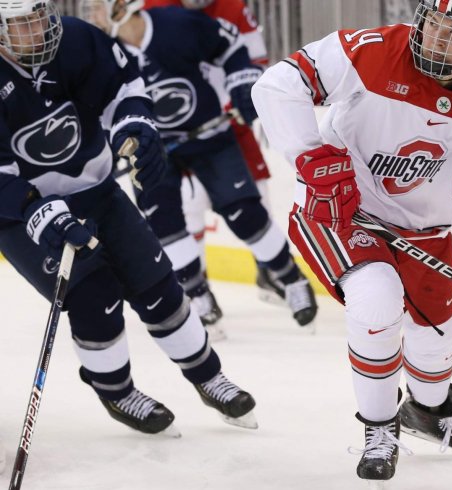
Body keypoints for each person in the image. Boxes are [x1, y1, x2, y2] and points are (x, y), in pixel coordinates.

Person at [253, 0, 452, 483]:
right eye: (436, 24)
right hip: (339, 210)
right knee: (377, 301)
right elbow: (278, 83)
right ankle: (380, 428)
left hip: (422, 229)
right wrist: (309, 156)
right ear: (421, 17)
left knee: (437, 338)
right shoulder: (370, 51)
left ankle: (428, 412)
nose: (441, 38)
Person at [0, 0, 256, 435]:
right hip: (21, 213)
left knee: (158, 284)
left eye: (41, 16)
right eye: (24, 25)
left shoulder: (77, 39)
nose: (40, 30)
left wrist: (134, 127)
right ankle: (117, 391)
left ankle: (208, 376)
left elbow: (123, 89)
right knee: (92, 298)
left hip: (97, 191)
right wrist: (34, 209)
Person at [79, 0, 317, 335]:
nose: (91, 16)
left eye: (97, 9)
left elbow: (231, 43)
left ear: (121, 8)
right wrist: (114, 140)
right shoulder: (102, 50)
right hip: (152, 148)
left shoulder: (175, 24)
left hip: (210, 135)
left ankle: (290, 278)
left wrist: (240, 84)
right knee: (165, 224)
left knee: (244, 213)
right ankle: (198, 293)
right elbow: (97, 103)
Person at [141, 0, 287, 305]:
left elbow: (254, 61)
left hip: (228, 118)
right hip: (177, 128)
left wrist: (244, 90)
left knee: (255, 194)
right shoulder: (153, 7)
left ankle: (268, 271)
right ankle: (194, 286)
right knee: (188, 203)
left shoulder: (233, 8)